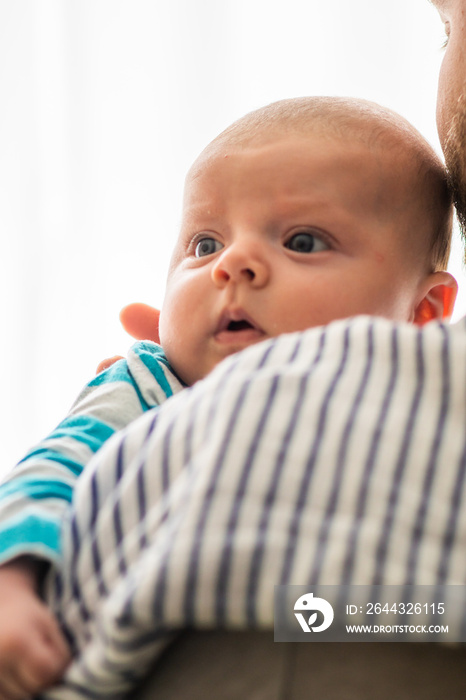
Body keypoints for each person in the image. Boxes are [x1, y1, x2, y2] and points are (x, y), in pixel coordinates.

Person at [0, 94, 459, 700]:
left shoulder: (426, 393)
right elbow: (53, 470)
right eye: (204, 245)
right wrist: (13, 582)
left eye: (301, 241)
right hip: (167, 632)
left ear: (424, 312)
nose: (233, 264)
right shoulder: (149, 384)